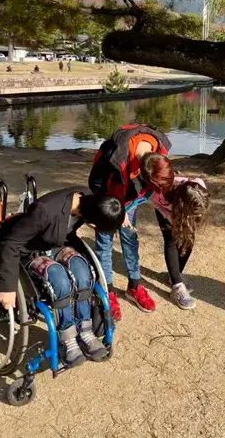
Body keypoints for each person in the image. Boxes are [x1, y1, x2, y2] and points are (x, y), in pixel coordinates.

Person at [0, 187, 125, 367]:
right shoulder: (45, 210)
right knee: (59, 278)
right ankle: (67, 338)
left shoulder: (88, 200)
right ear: (92, 224)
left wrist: (115, 214)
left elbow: (104, 206)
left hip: (56, 242)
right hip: (27, 248)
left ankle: (85, 330)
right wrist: (7, 287)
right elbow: (11, 243)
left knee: (82, 270)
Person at [89, 124, 173, 320]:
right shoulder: (114, 154)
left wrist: (129, 208)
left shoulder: (159, 150)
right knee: (104, 243)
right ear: (141, 174)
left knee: (130, 239)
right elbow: (96, 183)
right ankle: (107, 290)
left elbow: (153, 191)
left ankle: (134, 286)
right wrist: (115, 210)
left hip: (128, 199)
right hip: (108, 198)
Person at [149, 172, 209, 310]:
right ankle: (177, 286)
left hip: (185, 210)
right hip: (168, 210)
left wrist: (194, 217)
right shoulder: (161, 193)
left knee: (188, 239)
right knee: (171, 241)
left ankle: (175, 275)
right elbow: (155, 203)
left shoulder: (199, 188)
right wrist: (168, 215)